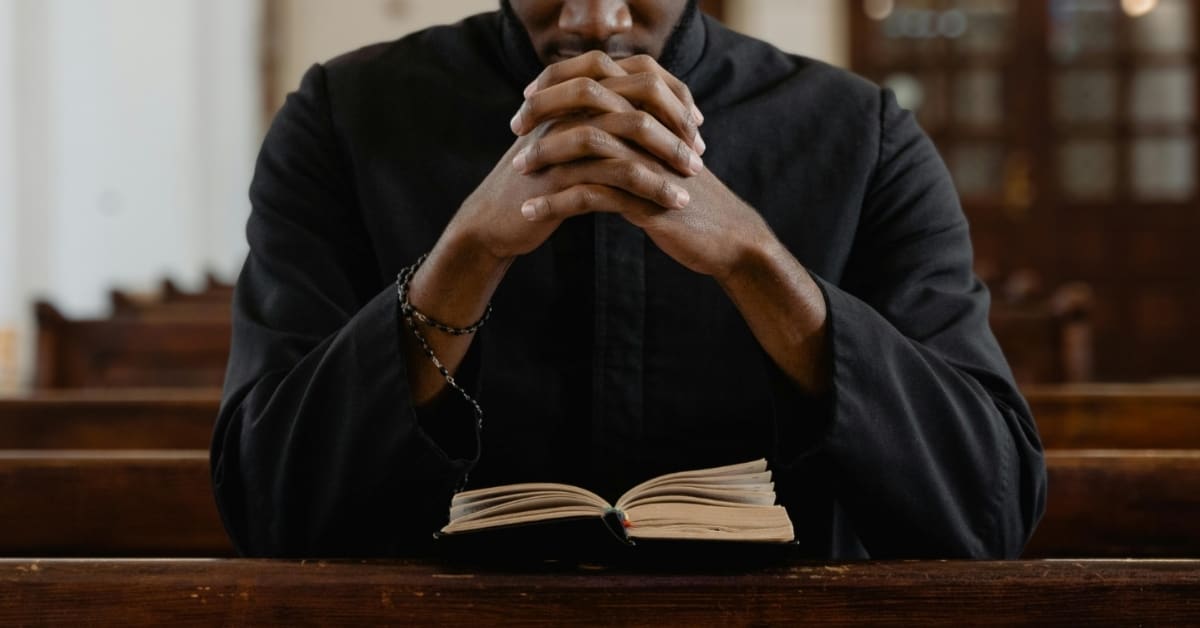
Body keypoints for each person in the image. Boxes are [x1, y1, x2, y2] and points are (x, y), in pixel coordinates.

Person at [211, 0, 1047, 559]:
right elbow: (268, 508)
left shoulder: (860, 133)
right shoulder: (343, 117)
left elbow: (988, 510)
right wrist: (466, 255)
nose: (594, 18)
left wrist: (754, 259)